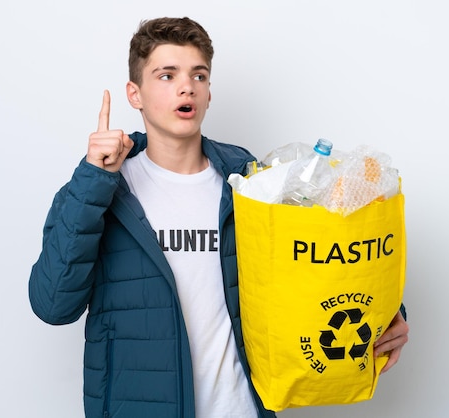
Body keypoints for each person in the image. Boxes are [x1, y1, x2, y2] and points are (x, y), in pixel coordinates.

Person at [28, 17, 409, 418]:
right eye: (166, 75)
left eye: (199, 75)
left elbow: (314, 263)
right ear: (134, 94)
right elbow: (53, 305)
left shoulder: (248, 180)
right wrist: (95, 178)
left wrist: (387, 313)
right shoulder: (103, 186)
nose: (186, 86)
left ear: (208, 93)